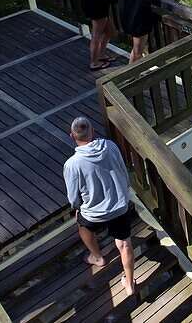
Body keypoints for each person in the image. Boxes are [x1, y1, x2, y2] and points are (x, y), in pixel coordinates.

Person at [63, 117, 135, 295]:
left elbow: (73, 198)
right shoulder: (111, 146)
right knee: (125, 244)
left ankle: (98, 257)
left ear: (72, 136)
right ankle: (130, 284)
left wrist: (79, 208)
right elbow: (124, 172)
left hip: (94, 213)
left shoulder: (72, 164)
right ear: (92, 131)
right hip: (120, 206)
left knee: (83, 225)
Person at [118, 0, 161, 64]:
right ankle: (134, 77)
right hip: (139, 22)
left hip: (129, 20)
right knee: (138, 51)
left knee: (135, 49)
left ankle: (130, 74)